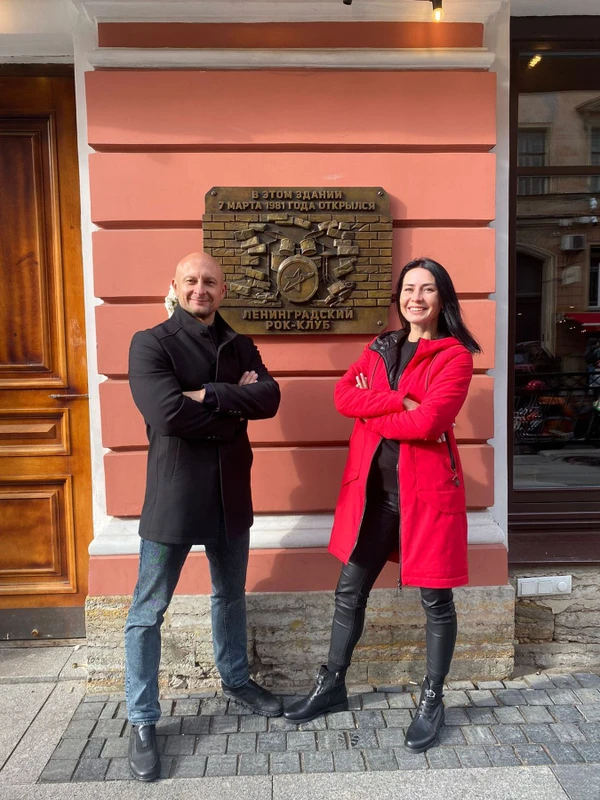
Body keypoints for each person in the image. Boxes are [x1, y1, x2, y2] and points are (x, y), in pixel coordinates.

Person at [284, 257, 481, 754]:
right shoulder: (379, 347)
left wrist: (375, 409)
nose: (416, 298)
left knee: (436, 599)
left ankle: (432, 699)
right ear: (399, 297)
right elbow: (343, 396)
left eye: (427, 289)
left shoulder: (454, 357)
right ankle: (331, 685)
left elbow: (429, 423)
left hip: (427, 496)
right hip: (374, 495)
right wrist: (397, 403)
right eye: (409, 288)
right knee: (349, 591)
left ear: (442, 297)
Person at [125, 251, 282, 782]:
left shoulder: (240, 344)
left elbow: (269, 398)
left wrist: (210, 394)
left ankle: (235, 680)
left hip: (230, 493)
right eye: (191, 281)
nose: (201, 289)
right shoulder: (151, 343)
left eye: (210, 281)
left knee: (229, 595)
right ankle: (142, 718)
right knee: (148, 610)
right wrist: (234, 409)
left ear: (224, 289)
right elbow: (167, 413)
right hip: (174, 496)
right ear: (174, 286)